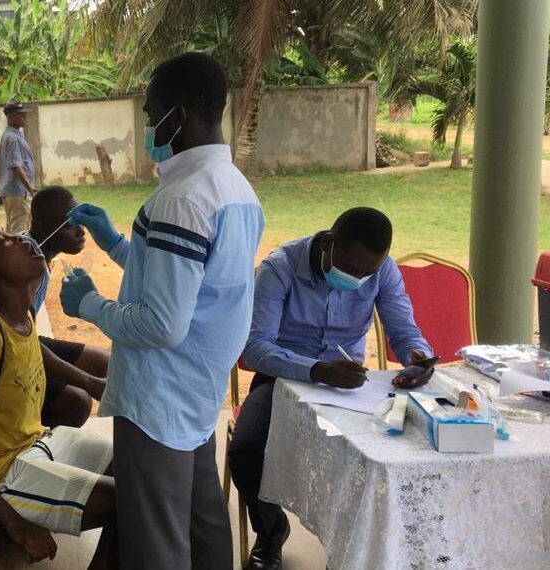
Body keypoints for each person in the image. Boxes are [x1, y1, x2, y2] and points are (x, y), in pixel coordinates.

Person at [60, 52, 264, 570]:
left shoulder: (183, 198)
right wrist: (115, 244)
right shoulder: (236, 190)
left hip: (159, 396)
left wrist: (90, 306)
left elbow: (163, 322)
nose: (149, 126)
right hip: (195, 392)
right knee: (203, 525)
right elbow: (184, 284)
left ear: (183, 112)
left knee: (157, 543)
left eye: (153, 114)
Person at [230, 207, 435, 570]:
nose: (357, 278)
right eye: (351, 268)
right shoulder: (279, 268)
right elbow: (257, 347)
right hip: (284, 378)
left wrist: (418, 356)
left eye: (366, 273)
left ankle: (350, 553)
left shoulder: (382, 270)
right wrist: (317, 370)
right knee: (246, 449)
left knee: (378, 457)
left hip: (351, 385)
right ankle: (271, 531)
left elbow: (403, 330)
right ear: (327, 243)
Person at [0, 228, 117, 569]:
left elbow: (37, 351)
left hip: (35, 442)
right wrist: (13, 522)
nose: (19, 240)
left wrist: (90, 381)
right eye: (4, 242)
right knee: (129, 500)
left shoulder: (18, 315)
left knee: (139, 466)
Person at [27, 186, 109, 429]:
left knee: (101, 361)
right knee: (79, 401)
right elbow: (17, 343)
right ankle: (33, 437)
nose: (81, 231)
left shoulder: (40, 255)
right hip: (7, 354)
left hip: (25, 341)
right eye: (70, 224)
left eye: (80, 222)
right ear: (41, 227)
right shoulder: (29, 264)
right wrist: (87, 382)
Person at [0, 100, 37, 235]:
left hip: (9, 190)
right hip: (18, 191)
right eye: (21, 115)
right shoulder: (13, 138)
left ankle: (8, 255)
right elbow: (16, 166)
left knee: (12, 228)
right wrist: (29, 187)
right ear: (11, 117)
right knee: (20, 231)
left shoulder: (8, 136)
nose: (24, 117)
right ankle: (18, 256)